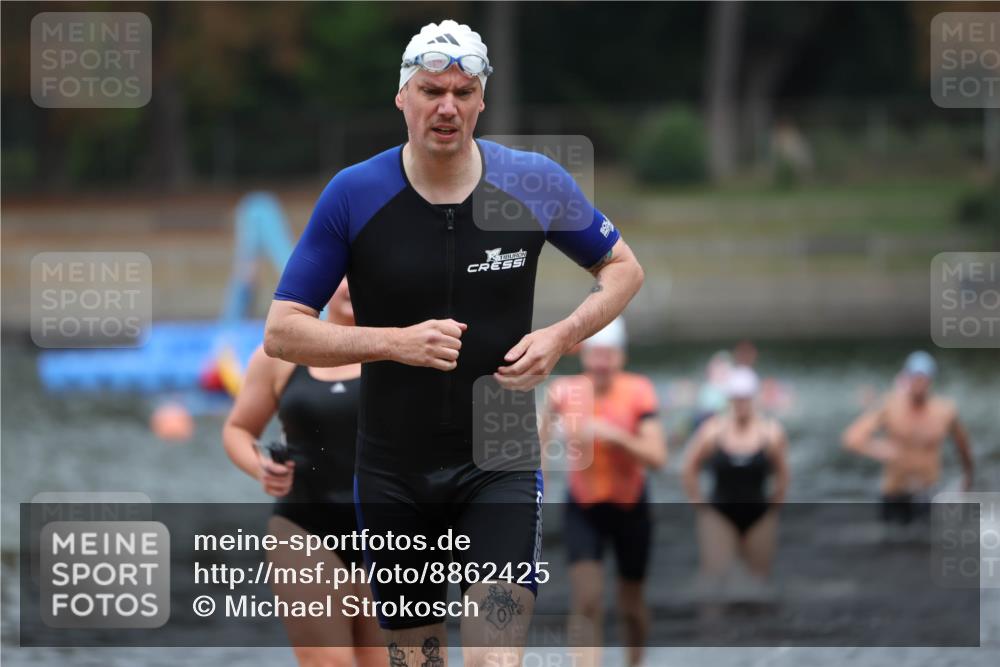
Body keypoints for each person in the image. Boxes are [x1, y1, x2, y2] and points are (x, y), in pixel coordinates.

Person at [263, 19, 645, 667]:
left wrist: (560, 335)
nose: (447, 106)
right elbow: (282, 328)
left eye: (463, 92)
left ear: (482, 101)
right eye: (432, 90)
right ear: (402, 99)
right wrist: (395, 343)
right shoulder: (355, 194)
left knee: (496, 658)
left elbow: (623, 269)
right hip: (393, 469)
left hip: (499, 457)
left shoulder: (530, 181)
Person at [223, 279, 385, 667]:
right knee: (329, 663)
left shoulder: (403, 348)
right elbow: (238, 429)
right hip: (304, 529)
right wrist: (260, 465)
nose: (349, 282)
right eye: (340, 271)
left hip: (391, 529)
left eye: (358, 269)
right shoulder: (279, 356)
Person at [539, 317, 666, 667]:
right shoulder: (563, 392)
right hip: (583, 507)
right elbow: (538, 445)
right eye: (595, 356)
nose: (601, 364)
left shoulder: (639, 391)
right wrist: (536, 487)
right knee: (587, 599)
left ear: (621, 358)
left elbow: (658, 457)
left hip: (631, 507)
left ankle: (634, 663)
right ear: (584, 356)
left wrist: (617, 436)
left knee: (631, 605)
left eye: (608, 356)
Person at [682, 366, 790, 587]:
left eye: (746, 399)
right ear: (729, 399)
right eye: (737, 399)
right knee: (715, 581)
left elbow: (783, 472)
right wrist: (700, 505)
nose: (741, 404)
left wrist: (775, 507)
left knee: (759, 584)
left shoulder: (771, 433)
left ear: (754, 398)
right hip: (719, 514)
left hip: (759, 514)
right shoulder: (712, 432)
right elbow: (689, 468)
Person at [842, 351, 974, 525]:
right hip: (895, 492)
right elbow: (851, 438)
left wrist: (968, 477)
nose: (919, 383)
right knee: (892, 545)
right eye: (915, 378)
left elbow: (963, 446)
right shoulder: (890, 406)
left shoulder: (944, 411)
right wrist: (878, 448)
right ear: (907, 378)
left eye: (923, 378)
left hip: (927, 493)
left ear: (931, 380)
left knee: (926, 545)